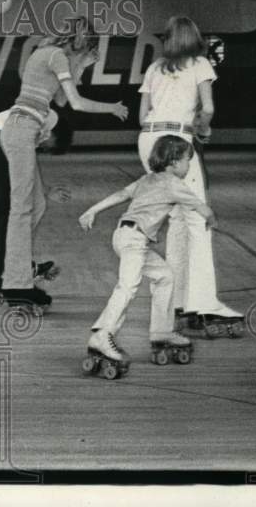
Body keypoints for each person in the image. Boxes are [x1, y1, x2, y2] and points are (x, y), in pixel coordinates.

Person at [0, 17, 129, 308]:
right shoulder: (56, 55)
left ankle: (16, 275)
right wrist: (112, 108)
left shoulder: (50, 55)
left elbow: (58, 99)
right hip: (21, 129)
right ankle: (16, 284)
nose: (89, 51)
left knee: (36, 205)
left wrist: (82, 65)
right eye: (88, 46)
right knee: (21, 209)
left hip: (22, 130)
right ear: (80, 41)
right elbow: (76, 103)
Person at [137, 15, 242, 336]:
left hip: (149, 142)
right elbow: (207, 109)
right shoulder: (199, 64)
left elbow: (142, 117)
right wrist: (203, 129)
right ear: (195, 39)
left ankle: (179, 301)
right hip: (178, 140)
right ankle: (205, 304)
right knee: (197, 220)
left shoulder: (155, 68)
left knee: (179, 219)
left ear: (168, 39)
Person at [78, 135, 214, 376]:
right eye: (186, 161)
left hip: (124, 235)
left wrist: (92, 210)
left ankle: (162, 331)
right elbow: (201, 207)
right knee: (127, 286)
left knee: (164, 276)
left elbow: (121, 194)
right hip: (134, 240)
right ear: (173, 162)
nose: (188, 166)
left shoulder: (147, 179)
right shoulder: (174, 184)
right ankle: (103, 334)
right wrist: (211, 221)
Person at [0, 108, 60, 300]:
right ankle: (8, 283)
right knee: (14, 216)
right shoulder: (49, 118)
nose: (46, 148)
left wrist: (45, 189)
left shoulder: (36, 116)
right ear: (54, 132)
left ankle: (15, 273)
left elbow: (30, 158)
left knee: (1, 214)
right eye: (51, 146)